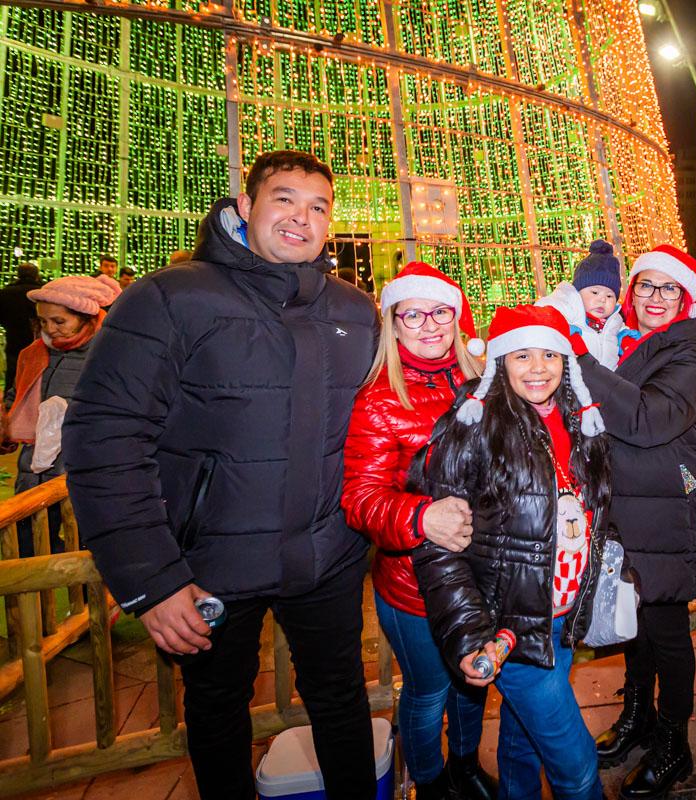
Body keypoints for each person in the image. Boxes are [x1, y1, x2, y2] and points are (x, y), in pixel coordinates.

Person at [62, 150, 381, 800]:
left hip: (326, 558)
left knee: (341, 697)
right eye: (284, 198)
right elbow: (105, 437)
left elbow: (386, 420)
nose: (302, 217)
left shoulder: (354, 311)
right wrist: (151, 579)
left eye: (318, 206)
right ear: (245, 206)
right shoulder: (169, 298)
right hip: (208, 569)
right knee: (216, 710)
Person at [410, 304, 610, 800]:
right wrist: (470, 635)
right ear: (500, 361)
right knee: (577, 767)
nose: (538, 368)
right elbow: (440, 548)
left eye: (549, 354)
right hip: (509, 629)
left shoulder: (579, 420)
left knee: (522, 743)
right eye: (522, 355)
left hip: (562, 619)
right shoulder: (474, 426)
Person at [341, 262, 492, 800]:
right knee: (429, 693)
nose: (429, 325)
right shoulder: (379, 399)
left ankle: (465, 765)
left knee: (472, 685)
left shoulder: (481, 383)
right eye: (413, 315)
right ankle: (429, 783)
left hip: (478, 577)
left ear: (458, 317)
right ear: (393, 323)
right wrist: (420, 517)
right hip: (413, 587)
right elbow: (360, 498)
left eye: (440, 312)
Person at [579, 244, 696, 799]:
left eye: (668, 287)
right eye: (645, 285)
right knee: (634, 619)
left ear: (685, 297)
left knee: (667, 630)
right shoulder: (629, 339)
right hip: (632, 501)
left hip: (671, 507)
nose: (655, 297)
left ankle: (673, 742)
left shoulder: (692, 351)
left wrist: (579, 359)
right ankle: (638, 716)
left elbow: (647, 418)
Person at [4, 275, 120, 556]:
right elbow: (17, 395)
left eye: (59, 321)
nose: (49, 329)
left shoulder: (109, 354)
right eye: (43, 321)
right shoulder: (34, 353)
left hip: (83, 464)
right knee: (28, 536)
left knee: (81, 539)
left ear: (85, 317)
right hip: (34, 465)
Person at [537, 239, 634, 370]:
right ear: (578, 293)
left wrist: (624, 338)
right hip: (575, 376)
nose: (603, 300)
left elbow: (619, 330)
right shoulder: (568, 308)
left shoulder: (614, 320)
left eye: (609, 296)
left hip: (609, 377)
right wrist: (561, 328)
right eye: (595, 292)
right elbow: (541, 311)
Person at [0, 263, 43, 400]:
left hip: (14, 336)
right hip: (38, 339)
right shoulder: (42, 292)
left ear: (18, 274)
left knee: (13, 370)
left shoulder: (6, 293)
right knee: (37, 371)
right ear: (36, 275)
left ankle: (11, 399)